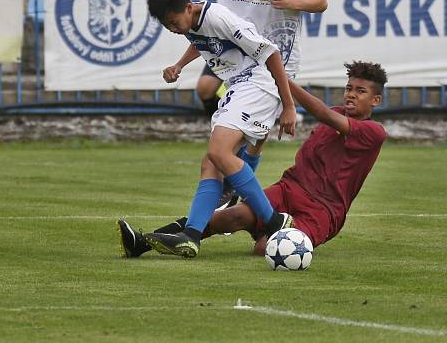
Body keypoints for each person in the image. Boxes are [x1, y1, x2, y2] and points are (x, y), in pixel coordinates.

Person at [118, 61, 387, 258]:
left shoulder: (373, 132)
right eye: (349, 88)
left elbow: (325, 115)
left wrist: (285, 82)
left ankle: (266, 231)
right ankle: (142, 242)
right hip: (288, 190)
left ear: (375, 100)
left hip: (322, 210)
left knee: (264, 248)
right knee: (228, 218)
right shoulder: (335, 113)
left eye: (360, 91)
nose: (351, 94)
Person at [123, 0, 297, 259]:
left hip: (258, 85)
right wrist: (179, 65)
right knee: (211, 162)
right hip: (239, 87)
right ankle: (191, 235)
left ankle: (273, 221)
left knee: (218, 151)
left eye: (174, 21)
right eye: (166, 25)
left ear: (189, 7)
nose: (172, 28)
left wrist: (289, 105)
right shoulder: (192, 23)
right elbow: (203, 41)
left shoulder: (218, 17)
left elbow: (271, 53)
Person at [215, 0, 329, 209]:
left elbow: (321, 1)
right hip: (239, 57)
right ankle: (230, 181)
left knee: (257, 135)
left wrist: (291, 2)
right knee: (236, 126)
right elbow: (221, 9)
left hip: (280, 58)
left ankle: (234, 183)